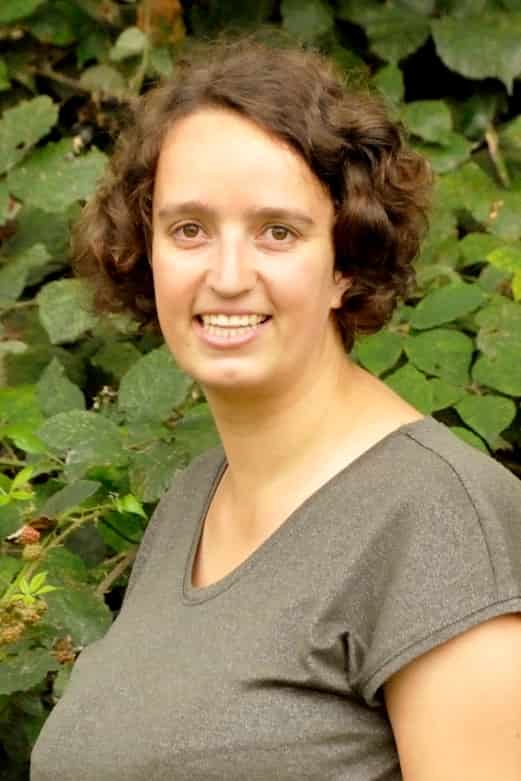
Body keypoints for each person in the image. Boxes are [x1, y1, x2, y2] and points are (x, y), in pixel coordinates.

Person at [30, 33, 521, 781]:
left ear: (345, 262)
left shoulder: (439, 518)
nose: (228, 275)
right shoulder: (193, 500)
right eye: (189, 229)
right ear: (146, 250)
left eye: (277, 232)